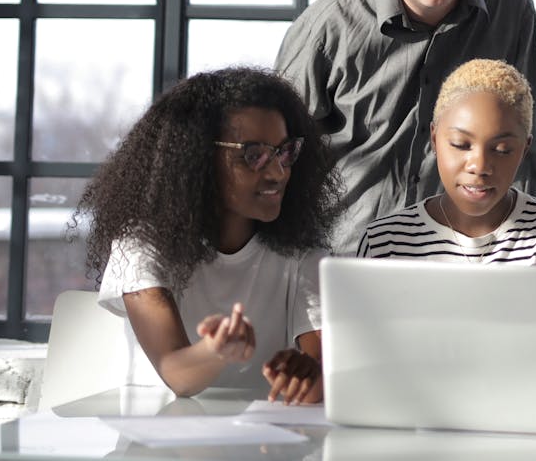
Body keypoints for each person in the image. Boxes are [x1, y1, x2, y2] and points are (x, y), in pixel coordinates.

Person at [276, 0, 536, 255]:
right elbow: (274, 162)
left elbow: (521, 155)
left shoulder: (512, 13)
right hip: (343, 265)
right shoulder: (328, 27)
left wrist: (529, 262)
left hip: (466, 263)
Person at [76, 67, 342, 401]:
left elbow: (324, 369)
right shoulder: (142, 247)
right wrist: (218, 350)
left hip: (263, 444)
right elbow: (178, 375)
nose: (278, 172)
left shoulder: (301, 249)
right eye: (254, 155)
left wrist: (309, 376)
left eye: (285, 151)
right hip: (154, 440)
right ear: (198, 158)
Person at [356, 59, 536, 272]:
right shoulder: (384, 242)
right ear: (434, 139)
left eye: (502, 150)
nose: (480, 166)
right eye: (460, 144)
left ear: (524, 150)